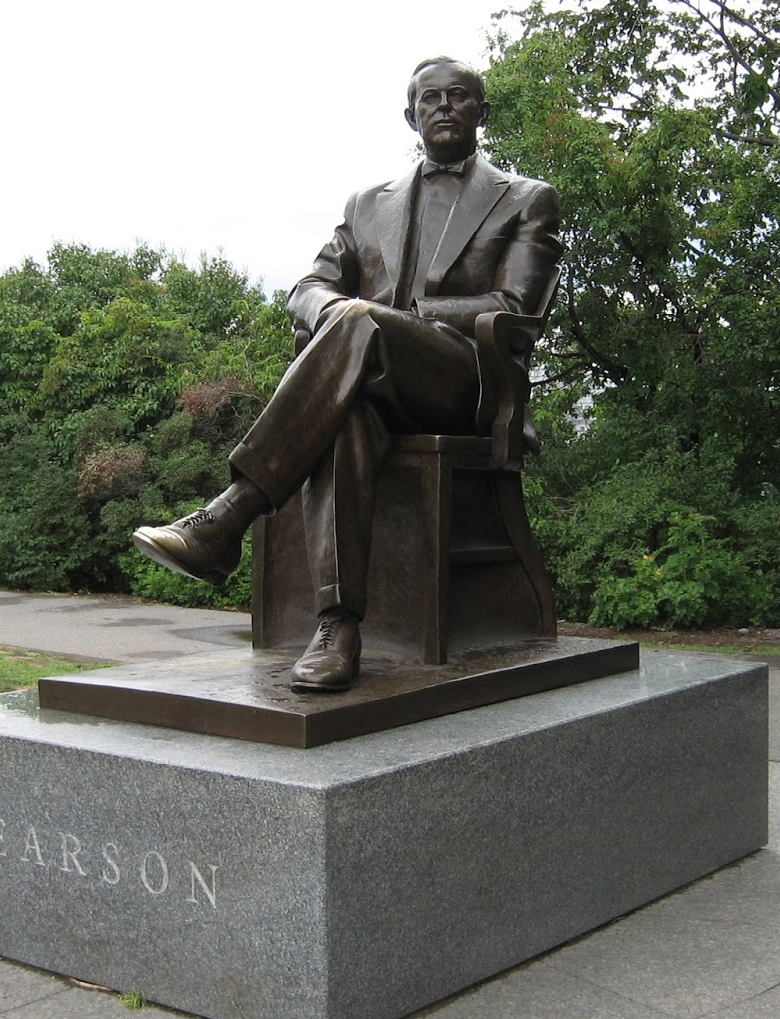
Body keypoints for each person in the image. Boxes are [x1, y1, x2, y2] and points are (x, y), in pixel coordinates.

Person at [134, 57, 562, 693]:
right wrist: (343, 314)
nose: (444, 107)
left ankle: (230, 514)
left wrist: (397, 317)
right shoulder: (366, 205)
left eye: (459, 97)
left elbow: (516, 310)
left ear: (481, 112)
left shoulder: (525, 199)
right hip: (371, 380)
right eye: (430, 99)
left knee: (361, 325)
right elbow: (309, 287)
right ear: (409, 116)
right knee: (345, 417)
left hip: (465, 379)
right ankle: (338, 628)